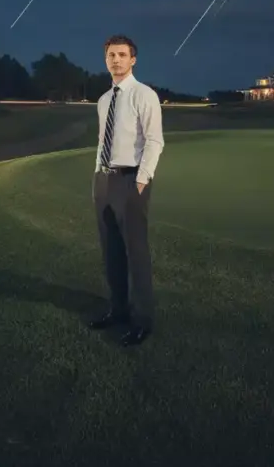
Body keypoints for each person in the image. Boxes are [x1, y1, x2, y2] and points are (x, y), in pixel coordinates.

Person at [88, 34, 164, 347]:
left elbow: (155, 141)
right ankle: (118, 309)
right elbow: (101, 140)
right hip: (104, 181)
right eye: (111, 55)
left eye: (122, 54)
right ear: (105, 59)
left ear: (133, 60)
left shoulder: (144, 95)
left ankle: (142, 320)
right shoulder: (104, 100)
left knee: (136, 254)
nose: (116, 60)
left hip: (131, 181)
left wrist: (142, 180)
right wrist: (97, 176)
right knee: (112, 253)